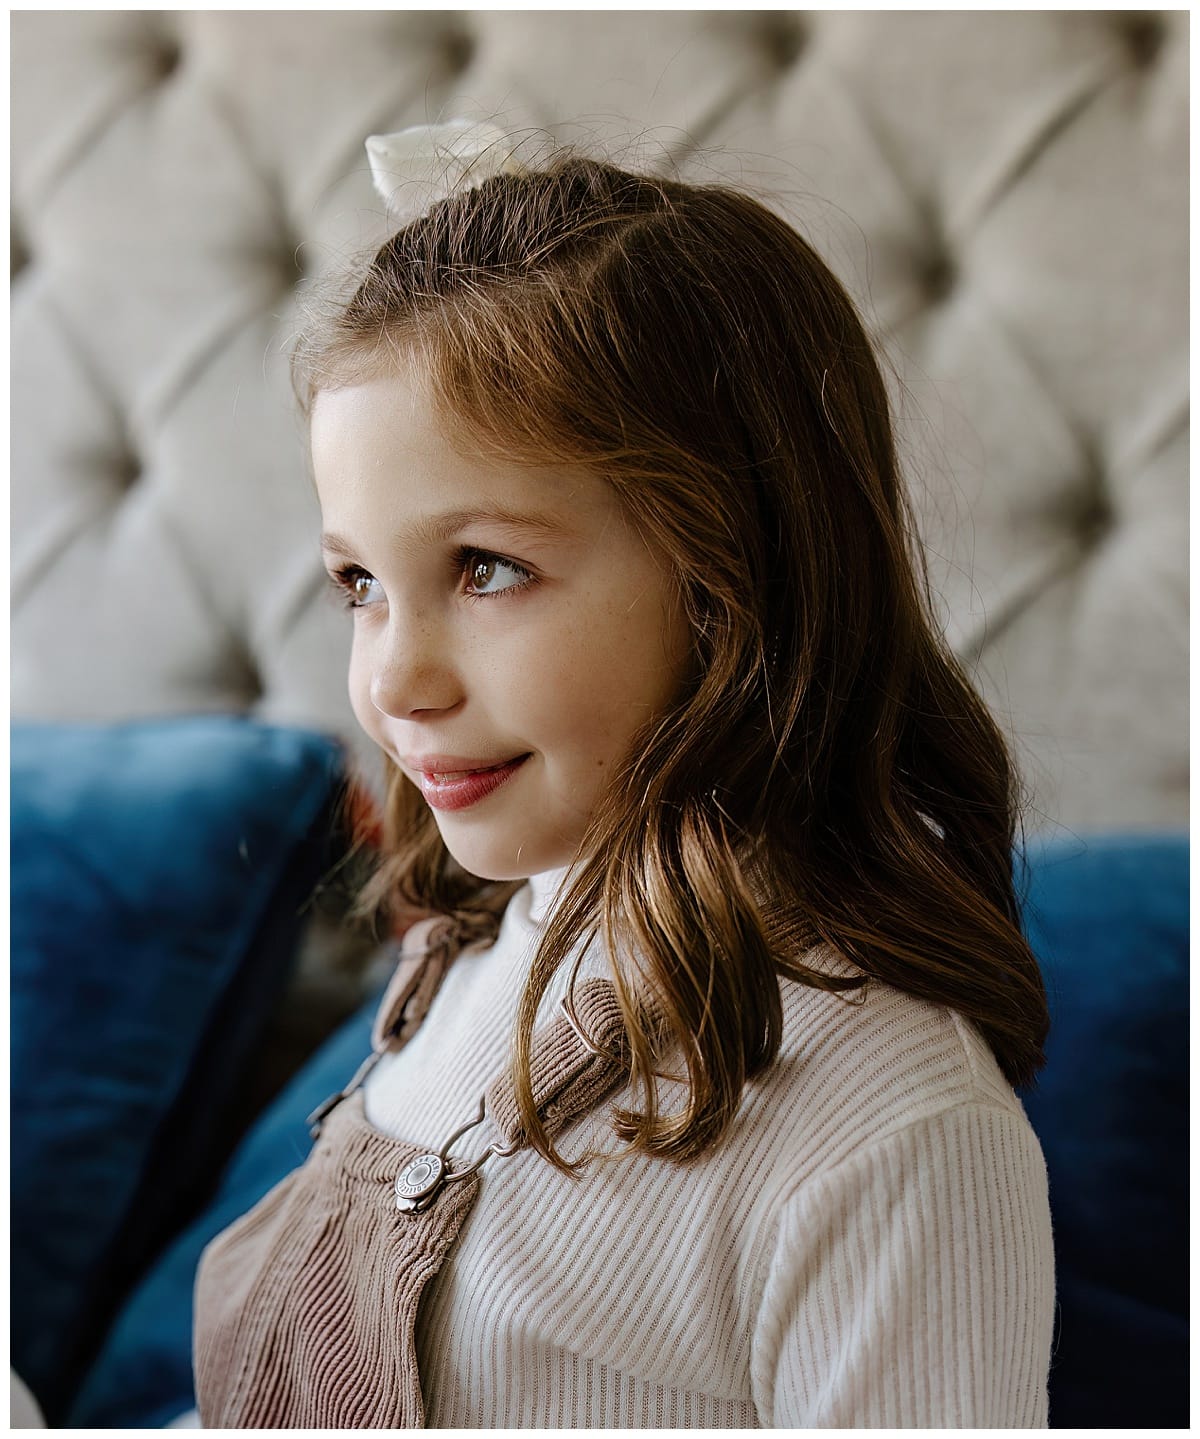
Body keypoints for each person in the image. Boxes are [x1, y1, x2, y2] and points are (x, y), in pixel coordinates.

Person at [191, 122, 1055, 1428]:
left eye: (486, 568)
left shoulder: (886, 1132)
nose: (394, 682)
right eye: (361, 585)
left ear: (732, 583)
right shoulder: (485, 941)